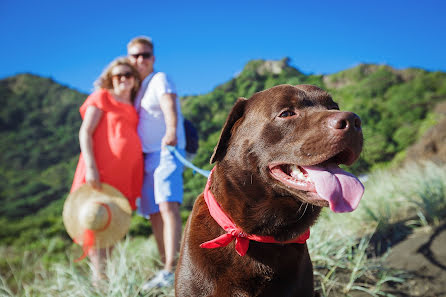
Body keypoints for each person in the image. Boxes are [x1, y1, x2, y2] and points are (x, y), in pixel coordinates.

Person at [70, 57, 144, 284]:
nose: (123, 78)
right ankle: (98, 279)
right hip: (100, 171)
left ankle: (107, 279)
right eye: (118, 75)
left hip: (124, 177)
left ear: (134, 80)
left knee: (111, 224)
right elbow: (86, 132)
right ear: (110, 79)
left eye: (128, 75)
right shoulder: (101, 97)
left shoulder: (133, 106)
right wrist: (91, 166)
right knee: (95, 221)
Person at [127, 36, 186, 290]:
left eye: (145, 55)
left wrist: (171, 132)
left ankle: (173, 269)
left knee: (167, 206)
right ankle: (166, 267)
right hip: (146, 157)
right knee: (153, 213)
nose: (141, 59)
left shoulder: (160, 79)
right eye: (136, 56)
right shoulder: (137, 88)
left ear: (153, 58)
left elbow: (169, 105)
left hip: (166, 151)